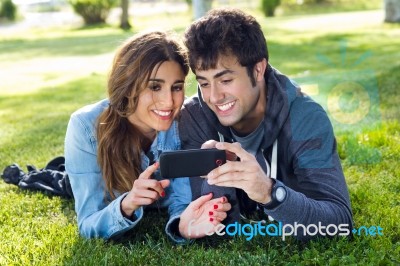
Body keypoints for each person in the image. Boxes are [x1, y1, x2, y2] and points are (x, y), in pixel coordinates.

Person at [178, 8, 353, 240]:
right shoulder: (195, 117)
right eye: (204, 83)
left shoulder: (306, 119)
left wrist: (269, 192)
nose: (214, 97)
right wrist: (216, 185)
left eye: (226, 80)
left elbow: (340, 224)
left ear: (258, 69)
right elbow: (215, 229)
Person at [64, 31, 230, 243]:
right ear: (128, 86)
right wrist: (127, 204)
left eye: (177, 87)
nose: (169, 102)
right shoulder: (85, 127)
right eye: (155, 87)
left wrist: (183, 226)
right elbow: (88, 225)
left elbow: (181, 199)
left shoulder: (187, 119)